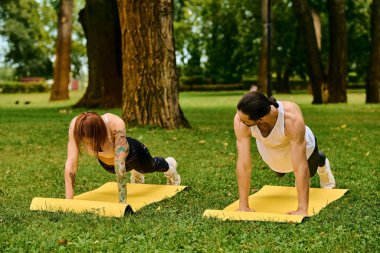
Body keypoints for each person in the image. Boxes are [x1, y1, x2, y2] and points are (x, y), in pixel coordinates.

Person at [234, 91, 335, 215]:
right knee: (279, 171)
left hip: (303, 146)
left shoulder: (290, 117)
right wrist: (243, 206)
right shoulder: (241, 118)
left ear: (260, 119)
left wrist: (302, 209)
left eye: (244, 121)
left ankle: (322, 160)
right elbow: (244, 164)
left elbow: (300, 166)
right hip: (272, 149)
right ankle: (281, 166)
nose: (239, 120)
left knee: (310, 171)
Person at [64, 112, 181, 203]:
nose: (88, 145)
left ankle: (169, 166)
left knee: (150, 166)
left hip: (134, 155)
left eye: (91, 142)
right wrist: (69, 200)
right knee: (126, 168)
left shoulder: (115, 123)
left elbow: (120, 162)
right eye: (85, 143)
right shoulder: (76, 126)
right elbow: (71, 163)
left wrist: (122, 201)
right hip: (108, 165)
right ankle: (136, 173)